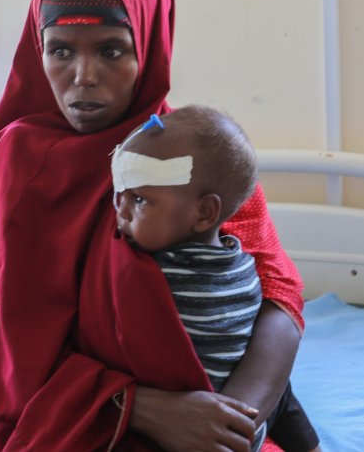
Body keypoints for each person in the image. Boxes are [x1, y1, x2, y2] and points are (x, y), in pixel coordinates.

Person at [0, 0, 308, 451]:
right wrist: (144, 408)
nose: (83, 78)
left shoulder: (192, 159)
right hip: (55, 416)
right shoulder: (13, 168)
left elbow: (278, 295)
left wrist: (232, 420)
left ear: (148, 45)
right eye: (60, 50)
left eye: (111, 50)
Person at [112, 106, 319, 452]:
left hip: (200, 430)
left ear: (205, 212)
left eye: (140, 199)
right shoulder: (242, 263)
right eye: (120, 195)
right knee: (284, 393)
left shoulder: (153, 273)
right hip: (238, 424)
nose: (121, 210)